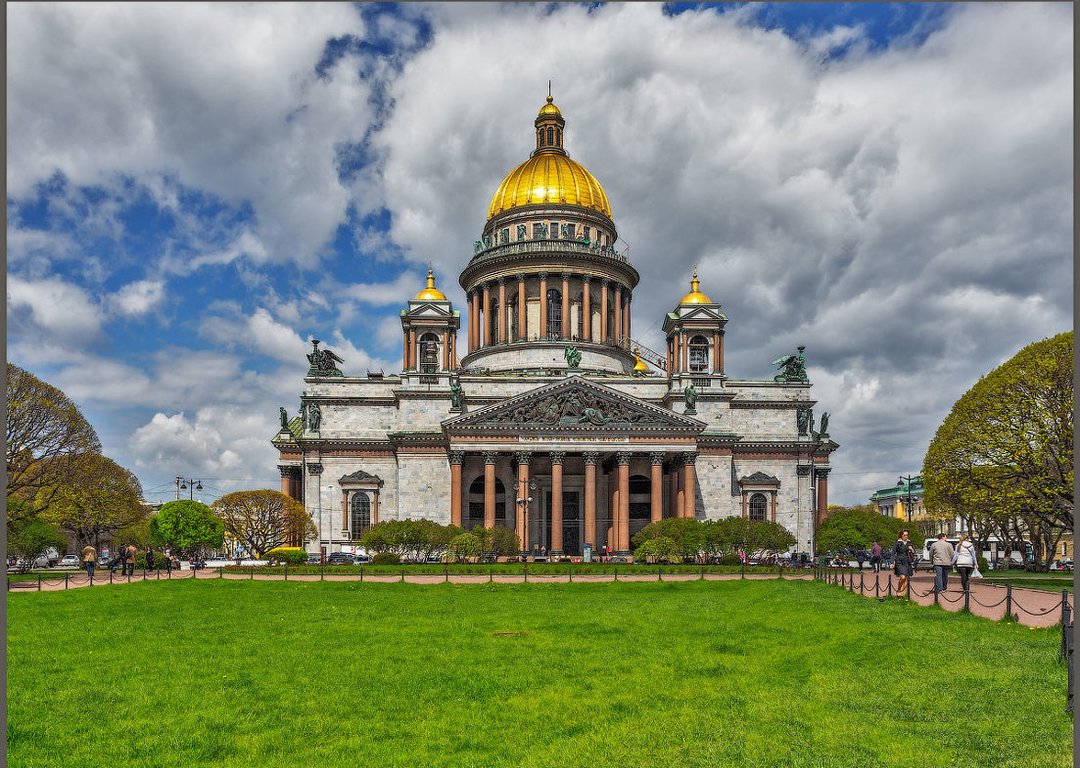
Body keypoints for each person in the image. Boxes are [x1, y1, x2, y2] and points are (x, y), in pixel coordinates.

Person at [893, 529, 914, 596]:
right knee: (903, 577)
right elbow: (893, 553)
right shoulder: (897, 543)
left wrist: (912, 550)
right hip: (899, 561)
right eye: (904, 535)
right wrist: (891, 562)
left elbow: (913, 552)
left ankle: (905, 594)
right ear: (901, 535)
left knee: (906, 578)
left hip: (906, 561)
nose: (906, 536)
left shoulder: (909, 543)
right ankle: (898, 590)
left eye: (907, 535)